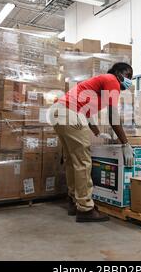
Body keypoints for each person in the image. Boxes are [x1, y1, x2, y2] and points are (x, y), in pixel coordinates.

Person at [52, 62, 134, 223]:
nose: (129, 80)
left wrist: (97, 132)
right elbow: (113, 116)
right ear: (118, 73)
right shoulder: (112, 80)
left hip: (58, 112)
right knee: (83, 161)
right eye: (128, 75)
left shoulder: (100, 85)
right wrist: (125, 143)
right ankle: (85, 208)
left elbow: (87, 113)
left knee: (72, 160)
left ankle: (73, 200)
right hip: (70, 113)